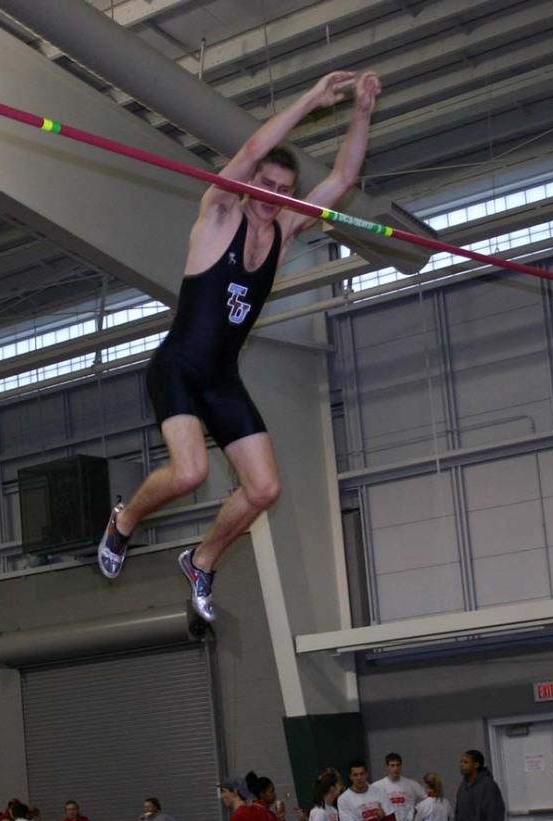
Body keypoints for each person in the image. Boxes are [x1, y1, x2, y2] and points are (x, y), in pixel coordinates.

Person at [97, 70, 382, 623]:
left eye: (282, 192)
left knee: (264, 487)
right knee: (189, 473)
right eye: (264, 186)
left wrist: (362, 111)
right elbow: (253, 148)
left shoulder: (285, 231)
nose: (271, 198)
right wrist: (311, 99)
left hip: (222, 377)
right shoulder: (221, 210)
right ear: (249, 183)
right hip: (178, 366)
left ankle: (201, 562)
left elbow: (345, 175)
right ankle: (123, 521)